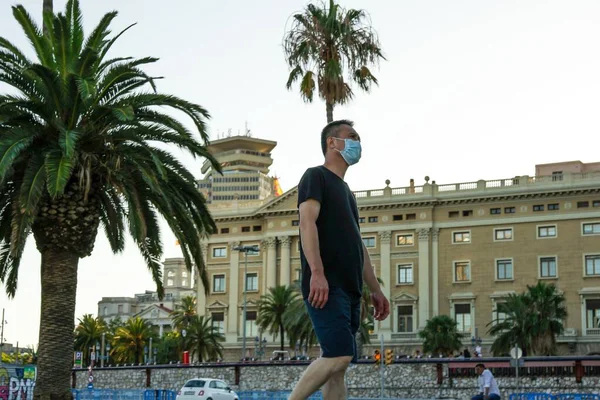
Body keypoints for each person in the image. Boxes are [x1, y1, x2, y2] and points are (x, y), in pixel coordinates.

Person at [288, 120, 390, 400]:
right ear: (332, 142)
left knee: (338, 367)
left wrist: (376, 290)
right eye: (352, 136)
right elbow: (307, 224)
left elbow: (359, 246)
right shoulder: (315, 176)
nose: (358, 142)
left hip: (351, 290)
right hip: (327, 285)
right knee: (340, 355)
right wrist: (317, 274)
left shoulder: (348, 194)